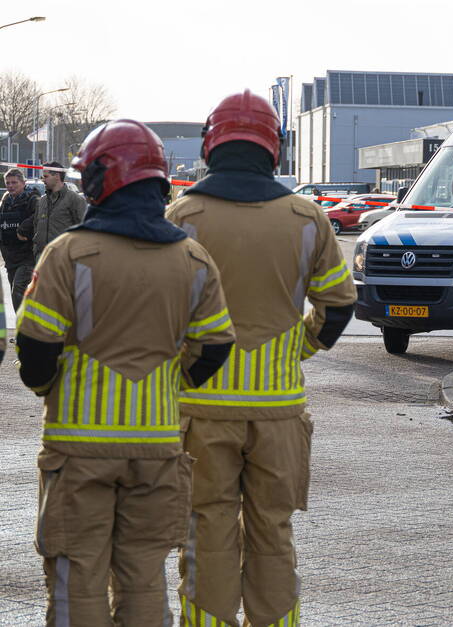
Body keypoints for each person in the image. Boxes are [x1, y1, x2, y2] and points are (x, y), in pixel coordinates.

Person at [16, 120, 235, 626]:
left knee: (77, 574)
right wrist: (172, 383)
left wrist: (50, 387)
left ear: (102, 180)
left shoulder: (68, 253)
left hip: (79, 448)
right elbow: (217, 345)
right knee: (143, 575)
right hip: (158, 447)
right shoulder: (193, 258)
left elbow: (36, 346)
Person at [166, 90, 355, 627]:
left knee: (207, 528)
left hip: (201, 410)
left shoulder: (183, 216)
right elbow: (339, 304)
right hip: (279, 412)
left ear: (210, 145)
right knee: (273, 529)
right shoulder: (307, 218)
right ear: (274, 148)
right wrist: (303, 344)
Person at [0, 167, 41, 311]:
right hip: (10, 257)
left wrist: (23, 228)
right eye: (8, 183)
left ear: (23, 183)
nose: (10, 186)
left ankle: (26, 328)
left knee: (19, 287)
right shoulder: (5, 201)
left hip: (27, 256)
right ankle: (23, 328)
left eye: (14, 183)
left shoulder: (33, 200)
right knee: (14, 291)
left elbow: (39, 218)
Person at [32, 161, 87, 258]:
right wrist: (36, 251)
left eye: (45, 177)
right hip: (42, 259)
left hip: (65, 260)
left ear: (57, 176)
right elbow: (36, 226)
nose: (43, 180)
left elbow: (84, 231)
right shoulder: (42, 201)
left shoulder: (75, 200)